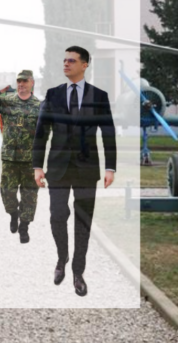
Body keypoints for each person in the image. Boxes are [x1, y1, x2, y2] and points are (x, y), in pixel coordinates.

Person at [32, 46, 116, 297]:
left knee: (83, 221)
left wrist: (110, 167)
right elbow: (41, 132)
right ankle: (62, 258)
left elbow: (108, 133)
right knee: (57, 215)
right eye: (64, 60)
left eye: (71, 60)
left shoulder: (99, 96)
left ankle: (78, 272)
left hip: (87, 168)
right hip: (58, 167)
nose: (66, 64)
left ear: (84, 65)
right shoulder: (53, 95)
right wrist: (37, 166)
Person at [0, 70, 41, 243]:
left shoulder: (39, 106)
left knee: (30, 195)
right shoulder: (6, 101)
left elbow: (45, 133)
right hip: (10, 158)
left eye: (25, 81)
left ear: (32, 83)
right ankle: (14, 214)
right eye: (19, 81)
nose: (21, 84)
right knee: (7, 192)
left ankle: (24, 227)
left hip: (30, 159)